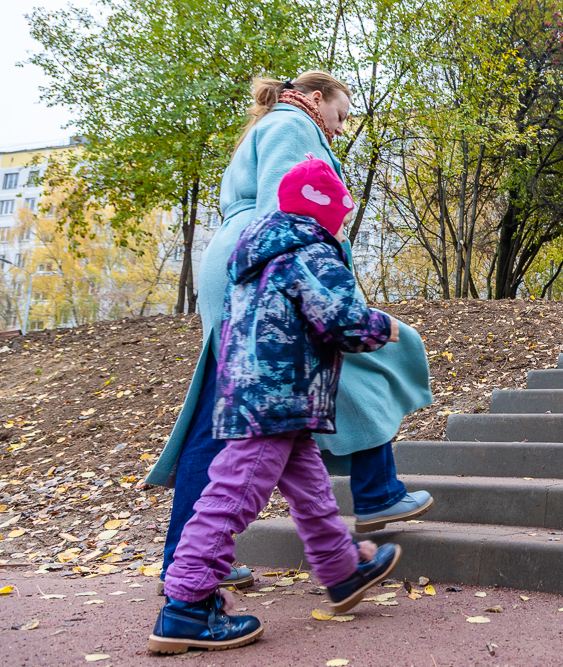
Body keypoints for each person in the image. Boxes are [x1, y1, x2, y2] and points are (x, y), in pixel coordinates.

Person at [144, 71, 434, 592]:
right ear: (317, 98)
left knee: (265, 419)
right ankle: (187, 581)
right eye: (341, 115)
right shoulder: (294, 123)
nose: (341, 128)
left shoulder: (279, 124)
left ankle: (344, 554)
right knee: (264, 407)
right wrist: (327, 279)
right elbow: (287, 204)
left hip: (245, 263)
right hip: (270, 267)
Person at [148, 157, 402, 654]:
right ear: (325, 209)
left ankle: (341, 570)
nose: (343, 224)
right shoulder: (311, 249)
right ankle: (187, 605)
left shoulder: (257, 255)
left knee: (311, 492)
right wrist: (382, 326)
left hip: (257, 392)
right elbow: (341, 321)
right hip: (279, 397)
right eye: (343, 213)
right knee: (233, 497)